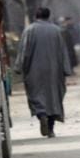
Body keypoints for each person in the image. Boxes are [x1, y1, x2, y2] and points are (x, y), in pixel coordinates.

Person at [14, 7, 71, 138]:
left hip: (34, 71)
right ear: (48, 16)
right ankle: (50, 129)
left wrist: (19, 67)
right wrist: (66, 69)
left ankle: (41, 115)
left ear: (36, 16)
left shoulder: (29, 30)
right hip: (54, 71)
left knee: (37, 96)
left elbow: (24, 52)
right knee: (53, 99)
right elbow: (63, 52)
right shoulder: (57, 30)